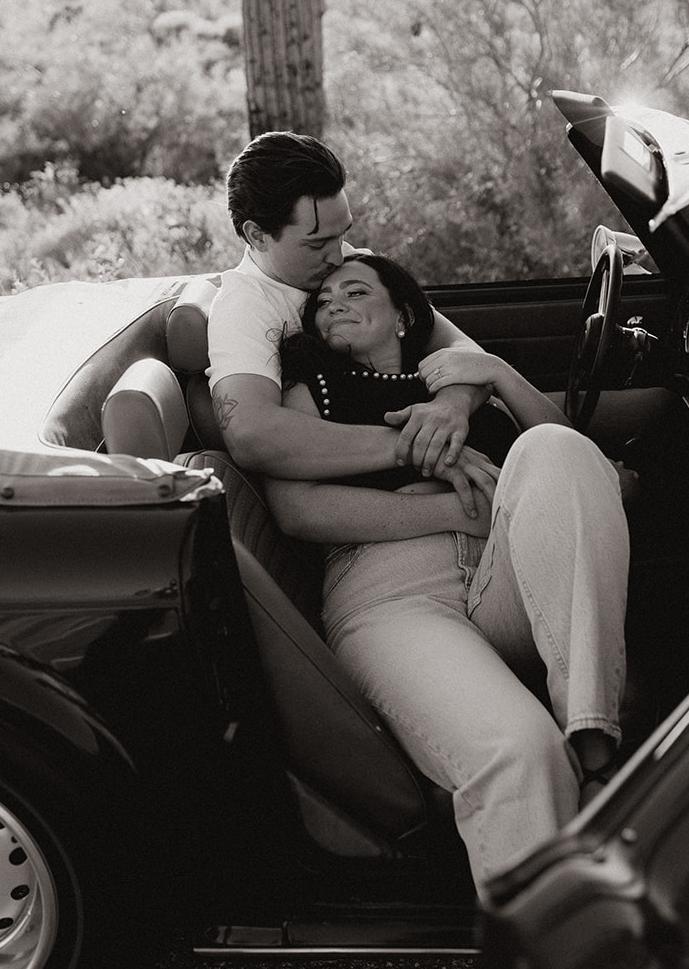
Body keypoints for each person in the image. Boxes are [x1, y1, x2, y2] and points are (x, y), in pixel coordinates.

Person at [264, 253, 630, 892]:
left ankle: (592, 731)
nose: (334, 305)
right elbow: (297, 510)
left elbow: (588, 473)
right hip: (392, 592)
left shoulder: (457, 381)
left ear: (404, 314)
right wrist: (451, 515)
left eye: (355, 291)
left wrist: (497, 374)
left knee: (554, 447)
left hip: (508, 575)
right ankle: (554, 968)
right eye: (322, 301)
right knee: (520, 754)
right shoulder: (314, 387)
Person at [206, 131, 494, 515]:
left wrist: (450, 407)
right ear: (257, 235)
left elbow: (463, 351)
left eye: (342, 235)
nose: (337, 255)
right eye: (316, 243)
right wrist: (414, 447)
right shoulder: (244, 307)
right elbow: (251, 433)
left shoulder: (349, 260)